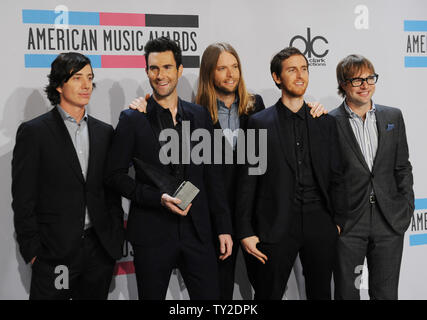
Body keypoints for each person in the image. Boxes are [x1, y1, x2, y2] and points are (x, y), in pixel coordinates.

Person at [129, 42, 328, 300]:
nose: (230, 74)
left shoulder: (255, 107)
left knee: (265, 288)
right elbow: (191, 170)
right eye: (222, 68)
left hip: (257, 217)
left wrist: (314, 110)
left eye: (234, 67)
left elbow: (277, 143)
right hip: (215, 217)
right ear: (210, 73)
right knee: (220, 291)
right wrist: (143, 105)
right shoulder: (196, 113)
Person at [105, 36, 233, 300]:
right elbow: (114, 176)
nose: (160, 75)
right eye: (154, 68)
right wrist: (156, 198)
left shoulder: (199, 116)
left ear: (179, 70)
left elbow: (212, 176)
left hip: (197, 232)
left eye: (167, 67)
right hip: (152, 232)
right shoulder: (132, 119)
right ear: (147, 71)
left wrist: (223, 227)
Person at [236, 47, 348, 300]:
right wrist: (245, 230)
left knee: (321, 294)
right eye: (292, 70)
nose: (300, 75)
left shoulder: (325, 122)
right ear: (277, 78)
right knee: (268, 293)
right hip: (275, 224)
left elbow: (337, 175)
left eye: (304, 69)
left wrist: (338, 221)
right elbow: (247, 182)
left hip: (320, 223)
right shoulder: (259, 123)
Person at [11, 52, 125, 300]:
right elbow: (23, 199)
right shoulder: (34, 133)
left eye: (90, 78)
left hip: (98, 251)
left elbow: (111, 192)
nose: (86, 85)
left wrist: (114, 238)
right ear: (59, 84)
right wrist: (34, 253)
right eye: (77, 78)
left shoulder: (104, 132)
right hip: (54, 255)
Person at [330, 54, 414, 300]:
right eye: (357, 80)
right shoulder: (329, 122)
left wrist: (406, 207)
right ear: (343, 84)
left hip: (389, 221)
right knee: (347, 293)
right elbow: (326, 177)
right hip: (348, 224)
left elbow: (402, 167)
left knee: (386, 294)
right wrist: (335, 220)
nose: (365, 85)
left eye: (369, 78)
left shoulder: (393, 117)